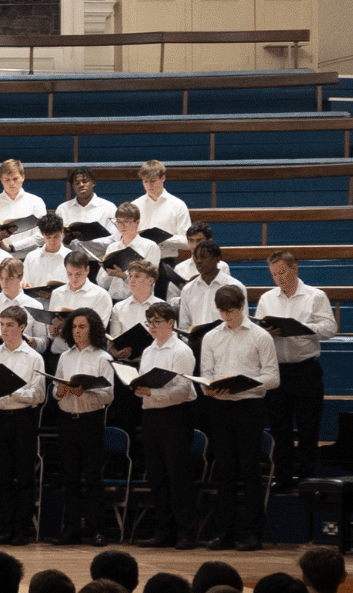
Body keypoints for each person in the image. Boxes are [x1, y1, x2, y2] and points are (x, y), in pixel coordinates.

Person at [198, 284, 279, 551]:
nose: (228, 318)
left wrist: (245, 384)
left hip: (249, 409)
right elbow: (205, 375)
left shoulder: (260, 336)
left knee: (249, 470)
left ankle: (253, 534)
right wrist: (210, 386)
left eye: (232, 312)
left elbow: (273, 378)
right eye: (223, 313)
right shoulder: (211, 337)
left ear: (243, 306)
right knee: (225, 471)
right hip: (220, 408)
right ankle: (226, 532)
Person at [256, 251, 337, 489]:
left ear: (295, 268)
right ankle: (282, 479)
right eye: (273, 274)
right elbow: (258, 331)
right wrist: (266, 331)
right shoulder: (267, 299)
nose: (278, 278)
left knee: (307, 429)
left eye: (282, 272)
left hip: (305, 370)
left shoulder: (315, 296)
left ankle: (306, 481)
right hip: (277, 371)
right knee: (280, 430)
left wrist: (302, 328)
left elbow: (330, 328)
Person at [0, 306, 45, 545]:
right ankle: (6, 528)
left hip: (23, 420)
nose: (3, 329)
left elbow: (38, 395)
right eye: (2, 324)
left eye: (9, 325)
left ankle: (22, 530)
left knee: (24, 477)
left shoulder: (34, 357)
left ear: (22, 327)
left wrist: (10, 390)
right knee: (3, 477)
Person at [134, 303, 199, 550]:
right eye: (149, 322)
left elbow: (182, 390)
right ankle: (164, 531)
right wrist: (142, 390)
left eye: (157, 322)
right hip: (151, 416)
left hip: (175, 416)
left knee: (178, 476)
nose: (151, 326)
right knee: (158, 477)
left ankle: (186, 532)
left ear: (171, 323)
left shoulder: (181, 350)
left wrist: (151, 392)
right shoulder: (149, 350)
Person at [51, 308, 114, 546]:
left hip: (91, 420)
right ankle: (71, 530)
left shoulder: (102, 358)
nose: (77, 331)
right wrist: (60, 391)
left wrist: (83, 390)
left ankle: (98, 530)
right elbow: (56, 390)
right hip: (67, 420)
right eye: (75, 327)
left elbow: (108, 395)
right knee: (70, 478)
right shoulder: (65, 357)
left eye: (82, 327)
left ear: (93, 329)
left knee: (93, 477)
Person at [129, 160, 192, 258]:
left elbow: (188, 241)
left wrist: (161, 240)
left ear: (163, 178)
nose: (149, 185)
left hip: (165, 260)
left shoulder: (177, 205)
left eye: (153, 181)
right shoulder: (135, 205)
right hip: (140, 261)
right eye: (145, 181)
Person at [0, 160, 48, 253]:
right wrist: (0, 241)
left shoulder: (36, 202)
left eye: (15, 179)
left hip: (28, 258)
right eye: (7, 179)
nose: (11, 183)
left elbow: (41, 235)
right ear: (1, 180)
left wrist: (13, 247)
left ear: (23, 177)